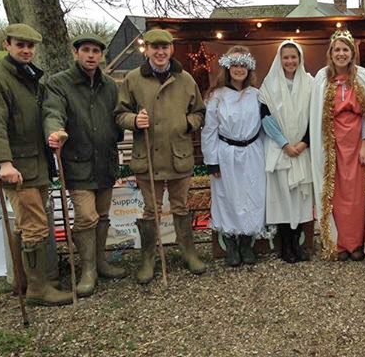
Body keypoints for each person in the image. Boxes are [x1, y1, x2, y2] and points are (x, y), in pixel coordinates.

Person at [0, 23, 72, 306]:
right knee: (34, 227)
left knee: (27, 225)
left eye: (30, 46)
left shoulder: (32, 79)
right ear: (7, 45)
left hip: (37, 165)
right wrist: (4, 163)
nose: (26, 50)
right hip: (17, 169)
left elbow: (44, 115)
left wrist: (53, 133)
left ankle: (26, 280)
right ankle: (38, 289)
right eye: (20, 45)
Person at [115, 29, 205, 283]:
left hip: (179, 155)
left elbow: (200, 111)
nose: (160, 52)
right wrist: (134, 120)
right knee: (150, 210)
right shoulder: (132, 79)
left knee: (181, 207)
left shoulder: (185, 79)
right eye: (155, 47)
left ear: (171, 50)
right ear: (147, 50)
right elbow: (119, 114)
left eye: (164, 47)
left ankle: (188, 252)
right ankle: (148, 259)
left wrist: (188, 123)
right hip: (149, 157)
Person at [44, 34, 125, 297]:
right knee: (86, 216)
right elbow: (53, 112)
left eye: (96, 51)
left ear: (101, 56)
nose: (91, 55)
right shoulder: (59, 84)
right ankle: (87, 268)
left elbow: (117, 116)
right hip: (78, 162)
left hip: (105, 162)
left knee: (102, 215)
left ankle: (101, 261)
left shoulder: (111, 86)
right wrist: (56, 131)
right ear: (75, 53)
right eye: (86, 50)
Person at [309, 29, 365, 261]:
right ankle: (339, 243)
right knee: (336, 193)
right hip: (332, 145)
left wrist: (364, 144)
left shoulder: (362, 76)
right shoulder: (322, 77)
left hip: (356, 143)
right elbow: (316, 114)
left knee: (357, 193)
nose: (341, 54)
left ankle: (357, 243)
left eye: (345, 50)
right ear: (330, 53)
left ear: (353, 53)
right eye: (337, 50)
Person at [201, 45, 266, 267]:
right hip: (226, 153)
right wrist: (211, 161)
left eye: (243, 66)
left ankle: (247, 243)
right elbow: (209, 130)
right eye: (235, 65)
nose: (239, 69)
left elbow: (265, 127)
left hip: (253, 153)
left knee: (252, 196)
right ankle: (230, 244)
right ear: (228, 69)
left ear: (249, 69)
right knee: (227, 198)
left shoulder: (257, 95)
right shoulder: (216, 97)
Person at [259, 40, 314, 263]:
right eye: (286, 57)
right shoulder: (269, 84)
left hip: (301, 149)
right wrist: (284, 144)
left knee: (300, 198)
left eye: (294, 57)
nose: (290, 61)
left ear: (300, 59)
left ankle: (298, 245)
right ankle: (285, 247)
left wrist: (303, 143)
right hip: (280, 150)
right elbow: (265, 117)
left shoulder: (310, 83)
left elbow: (315, 116)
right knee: (282, 198)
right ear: (279, 60)